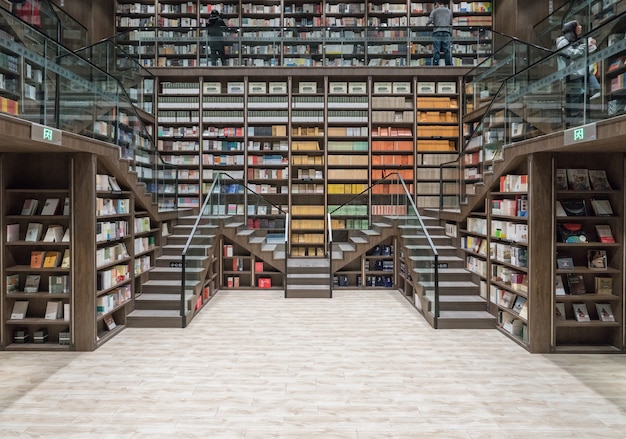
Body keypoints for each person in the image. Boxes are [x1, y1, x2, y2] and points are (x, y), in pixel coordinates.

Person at [556, 20, 598, 123]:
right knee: (575, 95)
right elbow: (571, 53)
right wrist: (586, 46)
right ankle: (574, 118)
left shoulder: (578, 40)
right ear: (572, 28)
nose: (580, 26)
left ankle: (585, 117)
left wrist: (590, 45)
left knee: (594, 88)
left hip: (584, 70)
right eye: (578, 25)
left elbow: (584, 51)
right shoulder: (563, 42)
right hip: (573, 73)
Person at [427, 1, 453, 66]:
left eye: (435, 5)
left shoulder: (435, 11)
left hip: (437, 31)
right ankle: (448, 64)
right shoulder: (449, 11)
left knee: (437, 50)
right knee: (447, 50)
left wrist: (434, 23)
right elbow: (450, 22)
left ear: (437, 4)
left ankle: (435, 64)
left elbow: (429, 21)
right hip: (446, 31)